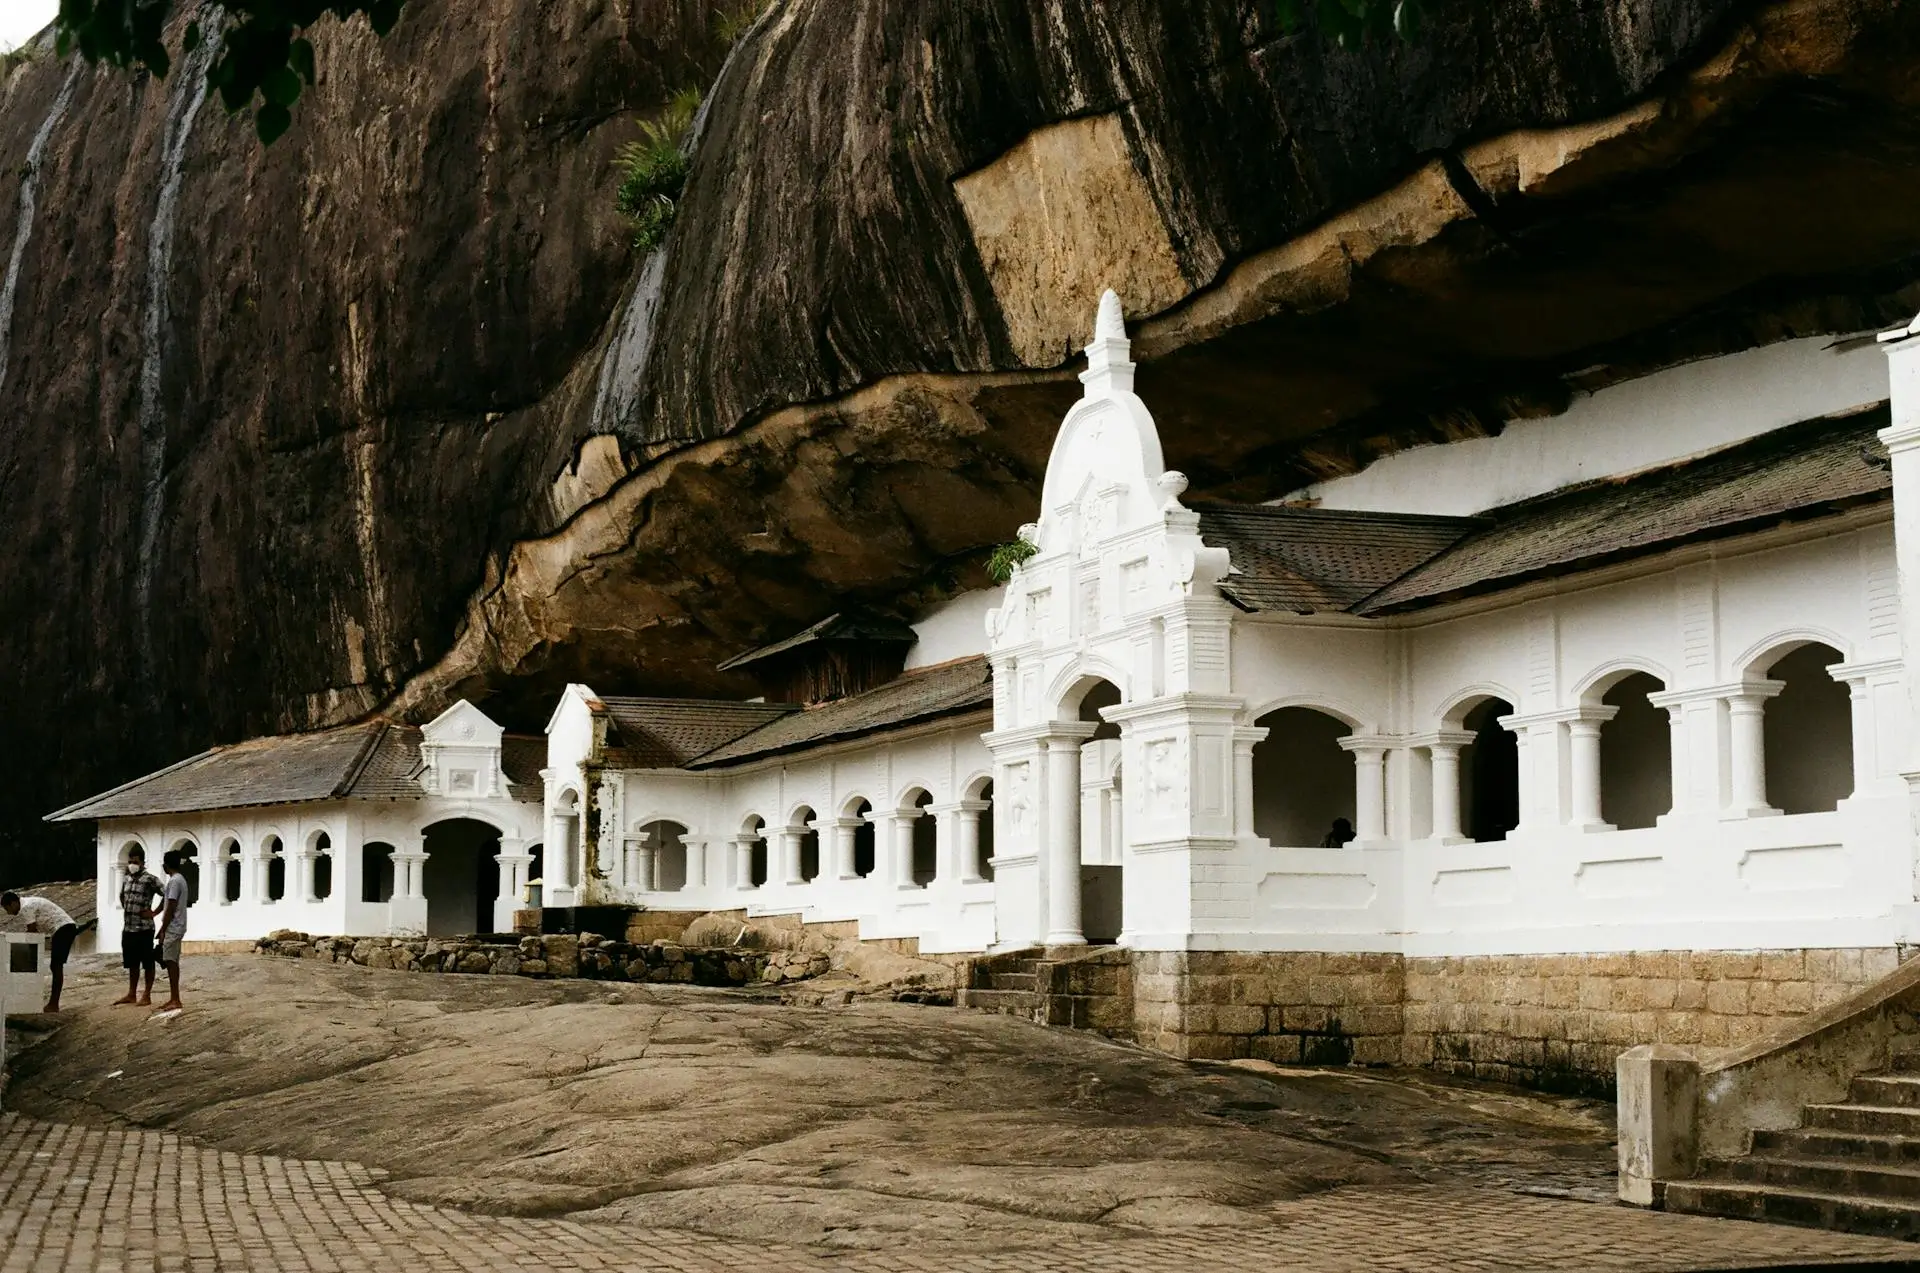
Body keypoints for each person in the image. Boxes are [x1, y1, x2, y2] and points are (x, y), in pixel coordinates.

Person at [1, 890, 78, 1012]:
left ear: (13, 903)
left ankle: (53, 1004)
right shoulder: (28, 903)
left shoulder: (25, 908)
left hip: (63, 928)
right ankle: (53, 1003)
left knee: (56, 966)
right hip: (64, 928)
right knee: (55, 966)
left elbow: (32, 931)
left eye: (7, 908)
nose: (8, 913)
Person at [115, 846, 162, 1006]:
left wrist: (154, 912)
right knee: (131, 962)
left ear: (142, 862)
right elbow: (122, 896)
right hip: (128, 928)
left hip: (144, 928)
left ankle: (147, 995)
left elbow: (167, 894)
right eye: (129, 862)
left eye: (135, 862)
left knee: (147, 963)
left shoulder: (150, 879)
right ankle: (131, 993)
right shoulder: (126, 879)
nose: (131, 864)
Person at [154, 849, 191, 1012]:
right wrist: (155, 912)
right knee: (170, 960)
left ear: (165, 865)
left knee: (171, 962)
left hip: (174, 926)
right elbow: (166, 900)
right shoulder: (177, 880)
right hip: (176, 926)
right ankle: (173, 997)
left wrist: (163, 927)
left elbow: (171, 904)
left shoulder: (175, 881)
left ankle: (175, 998)